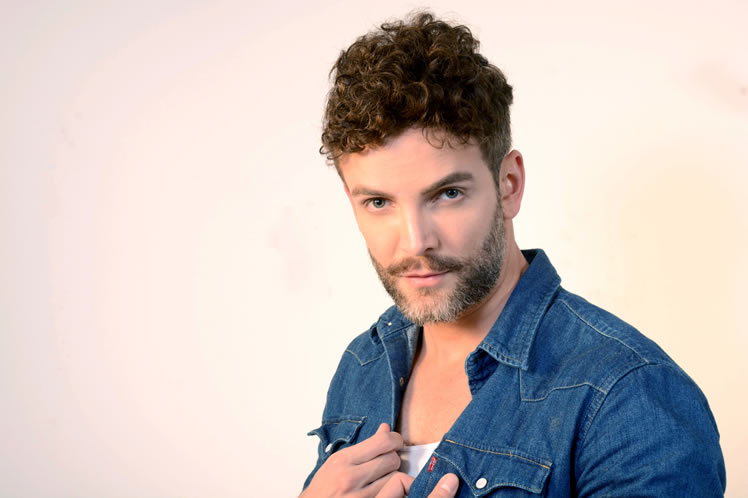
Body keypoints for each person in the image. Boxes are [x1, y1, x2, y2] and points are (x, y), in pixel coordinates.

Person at [301, 11, 726, 498]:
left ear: (509, 184)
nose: (415, 241)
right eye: (379, 203)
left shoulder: (628, 394)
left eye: (447, 194)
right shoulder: (363, 363)